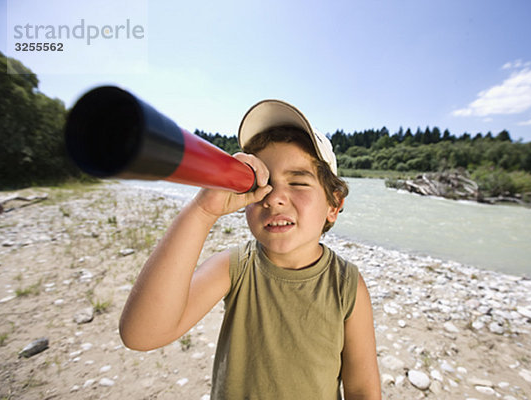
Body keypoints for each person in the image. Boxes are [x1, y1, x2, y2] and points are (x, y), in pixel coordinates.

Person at [119, 99, 381, 399]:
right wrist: (203, 210)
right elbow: (141, 334)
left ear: (334, 204)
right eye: (261, 184)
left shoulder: (347, 285)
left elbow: (362, 389)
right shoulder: (235, 268)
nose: (274, 198)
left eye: (297, 182)